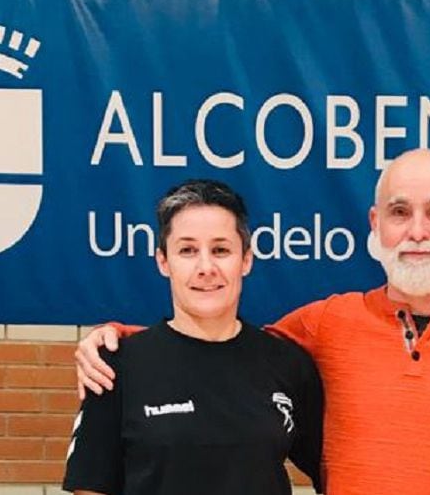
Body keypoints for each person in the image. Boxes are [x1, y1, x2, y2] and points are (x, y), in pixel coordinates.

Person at [75, 149, 430, 495]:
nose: (417, 232)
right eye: (399, 212)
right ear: (376, 224)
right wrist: (117, 340)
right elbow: (215, 346)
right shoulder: (327, 323)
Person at [62, 179, 323, 495]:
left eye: (220, 250)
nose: (206, 267)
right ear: (163, 262)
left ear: (246, 260)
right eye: (187, 250)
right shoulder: (115, 368)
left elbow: (333, 470)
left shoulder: (288, 364)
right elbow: (91, 487)